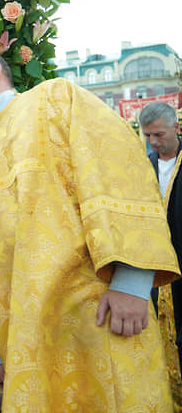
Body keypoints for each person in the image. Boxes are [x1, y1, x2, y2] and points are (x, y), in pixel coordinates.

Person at [0, 50, 181, 410]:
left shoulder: (54, 100)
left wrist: (131, 282)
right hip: (19, 342)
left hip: (93, 321)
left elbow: (117, 170)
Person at [138, 101, 182, 407]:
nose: (154, 142)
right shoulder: (144, 166)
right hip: (156, 269)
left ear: (176, 128)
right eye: (148, 136)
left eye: (159, 135)